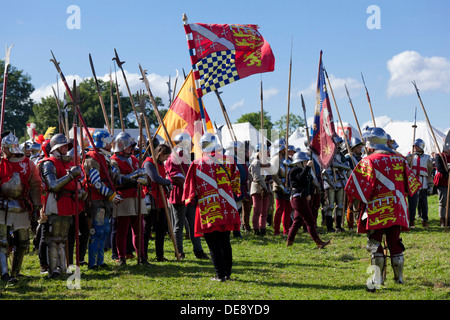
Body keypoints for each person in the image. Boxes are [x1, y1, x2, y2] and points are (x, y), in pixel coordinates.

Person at [345, 127, 421, 291]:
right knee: (394, 241)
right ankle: (399, 279)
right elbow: (412, 185)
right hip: (397, 207)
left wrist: (356, 205)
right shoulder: (400, 159)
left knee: (375, 243)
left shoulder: (368, 161)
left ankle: (377, 280)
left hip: (377, 208)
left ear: (370, 144)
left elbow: (355, 187)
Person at [183, 132, 241, 282]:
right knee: (225, 241)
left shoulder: (197, 164)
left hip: (209, 206)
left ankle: (220, 275)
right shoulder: (229, 160)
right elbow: (236, 184)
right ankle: (227, 274)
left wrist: (190, 199)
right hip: (227, 205)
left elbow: (190, 188)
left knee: (213, 243)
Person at [82, 129, 132, 269]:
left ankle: (100, 261)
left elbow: (116, 176)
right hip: (96, 200)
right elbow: (96, 183)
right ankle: (93, 264)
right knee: (97, 231)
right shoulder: (92, 158)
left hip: (105, 201)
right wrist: (112, 194)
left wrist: (133, 178)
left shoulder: (105, 158)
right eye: (109, 142)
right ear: (101, 142)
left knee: (104, 230)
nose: (111, 145)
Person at [41, 133, 86, 278]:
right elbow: (53, 185)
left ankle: (63, 266)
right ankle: (53, 269)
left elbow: (74, 185)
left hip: (67, 204)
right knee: (54, 238)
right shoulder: (49, 163)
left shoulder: (68, 163)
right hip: (55, 202)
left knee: (63, 238)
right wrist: (71, 176)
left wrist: (79, 192)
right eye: (63, 146)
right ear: (56, 147)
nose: (66, 148)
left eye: (67, 145)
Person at [0, 132, 42, 283]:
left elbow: (36, 186)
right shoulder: (0, 163)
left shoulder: (28, 163)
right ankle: (5, 274)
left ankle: (15, 273)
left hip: (22, 206)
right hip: (2, 206)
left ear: (10, 148)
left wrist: (37, 206)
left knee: (23, 242)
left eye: (4, 148)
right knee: (2, 242)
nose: (2, 150)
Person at [165, 133, 209, 260]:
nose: (193, 145)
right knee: (179, 226)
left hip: (189, 194)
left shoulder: (187, 157)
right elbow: (174, 176)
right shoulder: (173, 157)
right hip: (179, 194)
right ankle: (179, 251)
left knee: (194, 224)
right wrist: (187, 183)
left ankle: (198, 251)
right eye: (190, 143)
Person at [110, 131, 149, 266]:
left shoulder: (134, 159)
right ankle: (121, 257)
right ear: (120, 146)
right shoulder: (113, 161)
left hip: (137, 196)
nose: (130, 148)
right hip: (124, 196)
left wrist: (142, 179)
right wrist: (134, 176)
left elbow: (143, 175)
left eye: (130, 146)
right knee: (122, 230)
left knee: (139, 230)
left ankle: (142, 257)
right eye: (127, 146)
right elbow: (117, 179)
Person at [285, 151, 330, 248]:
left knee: (297, 221)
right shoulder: (294, 170)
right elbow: (300, 179)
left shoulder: (304, 170)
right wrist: (308, 167)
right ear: (300, 162)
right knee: (310, 221)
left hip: (302, 197)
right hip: (297, 198)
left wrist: (308, 194)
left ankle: (289, 242)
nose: (306, 163)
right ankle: (319, 242)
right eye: (304, 162)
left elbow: (308, 183)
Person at [143, 143, 172, 262]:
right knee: (147, 230)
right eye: (165, 156)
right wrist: (168, 182)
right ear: (160, 154)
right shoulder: (149, 163)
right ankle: (143, 256)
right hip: (152, 199)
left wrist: (166, 185)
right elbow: (155, 178)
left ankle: (160, 255)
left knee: (161, 230)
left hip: (161, 199)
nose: (166, 159)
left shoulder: (160, 164)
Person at [321, 136, 351, 232]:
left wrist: (338, 165)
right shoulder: (326, 155)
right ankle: (329, 227)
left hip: (340, 181)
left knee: (340, 205)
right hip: (330, 182)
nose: (338, 145)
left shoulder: (341, 155)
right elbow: (323, 172)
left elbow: (347, 167)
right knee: (330, 206)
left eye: (339, 143)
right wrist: (330, 182)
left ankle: (338, 226)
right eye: (336, 143)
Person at [406, 138, 434, 228]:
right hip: (413, 183)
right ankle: (411, 221)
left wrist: (430, 184)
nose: (415, 148)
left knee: (424, 204)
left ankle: (424, 221)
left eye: (417, 146)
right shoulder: (410, 157)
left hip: (423, 182)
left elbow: (429, 172)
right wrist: (408, 158)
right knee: (412, 204)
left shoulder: (427, 158)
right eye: (414, 146)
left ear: (421, 147)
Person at [270, 138, 292, 236]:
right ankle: (276, 231)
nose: (286, 149)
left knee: (288, 210)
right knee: (279, 210)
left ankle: (286, 231)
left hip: (288, 186)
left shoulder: (285, 159)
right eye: (284, 148)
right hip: (279, 187)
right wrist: (281, 186)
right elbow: (274, 174)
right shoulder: (276, 159)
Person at [249, 143, 271, 235]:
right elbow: (257, 177)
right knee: (257, 210)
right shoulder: (255, 163)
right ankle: (256, 229)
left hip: (266, 188)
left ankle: (263, 228)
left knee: (264, 211)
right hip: (258, 189)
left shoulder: (266, 162)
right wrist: (264, 188)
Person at [345, 137, 364, 230]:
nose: (360, 149)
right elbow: (346, 171)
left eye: (361, 147)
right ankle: (350, 225)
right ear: (353, 148)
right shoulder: (348, 157)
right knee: (351, 204)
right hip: (351, 183)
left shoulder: (360, 158)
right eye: (358, 147)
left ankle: (358, 223)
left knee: (359, 205)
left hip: (360, 184)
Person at [434, 144, 450, 227]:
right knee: (443, 201)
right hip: (442, 180)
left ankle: (449, 219)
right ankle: (443, 220)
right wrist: (446, 173)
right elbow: (439, 167)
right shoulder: (439, 156)